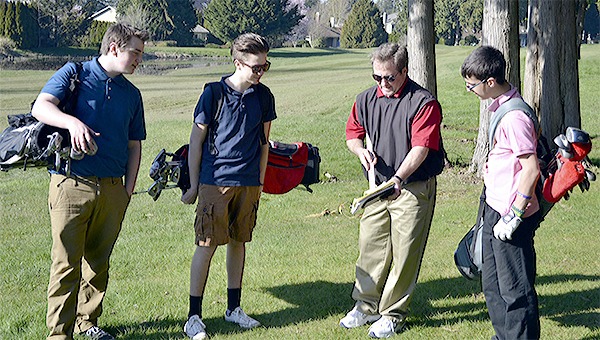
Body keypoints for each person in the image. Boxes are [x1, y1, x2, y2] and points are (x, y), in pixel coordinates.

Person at [31, 23, 148, 340]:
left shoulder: (132, 94)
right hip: (71, 183)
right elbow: (40, 106)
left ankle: (87, 322)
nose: (140, 59)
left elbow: (134, 144)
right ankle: (59, 333)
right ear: (114, 48)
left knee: (98, 262)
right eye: (135, 52)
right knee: (65, 263)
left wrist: (127, 190)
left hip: (113, 188)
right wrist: (72, 123)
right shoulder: (75, 73)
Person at [341, 43, 445, 338]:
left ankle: (393, 314)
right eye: (377, 77)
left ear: (404, 72)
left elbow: (421, 149)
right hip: (378, 187)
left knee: (405, 252)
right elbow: (353, 134)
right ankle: (365, 306)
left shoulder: (423, 102)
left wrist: (399, 177)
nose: (383, 84)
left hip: (411, 186)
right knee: (370, 246)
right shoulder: (364, 100)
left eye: (389, 78)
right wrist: (360, 152)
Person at [180, 33, 276, 340]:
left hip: (248, 183)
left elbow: (264, 145)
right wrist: (194, 185)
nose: (261, 72)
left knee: (239, 242)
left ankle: (234, 309)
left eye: (265, 66)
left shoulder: (264, 96)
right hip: (215, 181)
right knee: (206, 246)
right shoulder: (213, 93)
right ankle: (193, 317)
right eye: (255, 67)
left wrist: (259, 183)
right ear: (238, 63)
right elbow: (196, 142)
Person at [461, 46, 541, 339]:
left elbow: (530, 169)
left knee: (515, 290)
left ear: (490, 82)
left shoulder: (514, 118)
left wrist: (515, 216)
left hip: (511, 217)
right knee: (493, 285)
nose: (470, 90)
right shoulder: (499, 106)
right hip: (493, 208)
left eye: (472, 85)